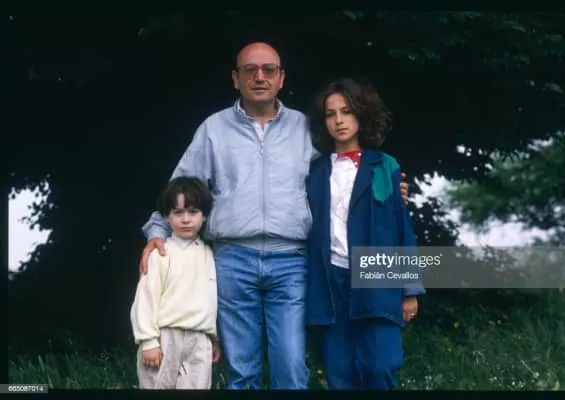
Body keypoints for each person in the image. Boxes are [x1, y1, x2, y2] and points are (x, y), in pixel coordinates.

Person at [139, 42, 411, 389]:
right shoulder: (213, 129)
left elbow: (345, 174)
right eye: (250, 70)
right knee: (242, 371)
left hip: (292, 261)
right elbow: (180, 187)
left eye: (269, 69)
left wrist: (387, 185)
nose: (260, 77)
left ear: (281, 78)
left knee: (292, 368)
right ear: (235, 79)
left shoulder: (305, 127)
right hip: (232, 259)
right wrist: (157, 232)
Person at [304, 78, 425, 390]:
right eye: (331, 114)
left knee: (379, 366)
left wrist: (410, 288)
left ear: (361, 114)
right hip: (330, 279)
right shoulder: (314, 171)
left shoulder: (385, 166)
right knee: (338, 372)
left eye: (346, 111)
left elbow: (401, 227)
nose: (339, 120)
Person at [130, 177, 221, 389]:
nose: (186, 219)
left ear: (204, 216)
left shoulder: (209, 254)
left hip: (199, 339)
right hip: (165, 337)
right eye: (178, 213)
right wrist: (148, 341)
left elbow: (210, 300)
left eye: (193, 212)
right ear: (166, 217)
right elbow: (146, 298)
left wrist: (213, 337)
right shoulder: (160, 253)